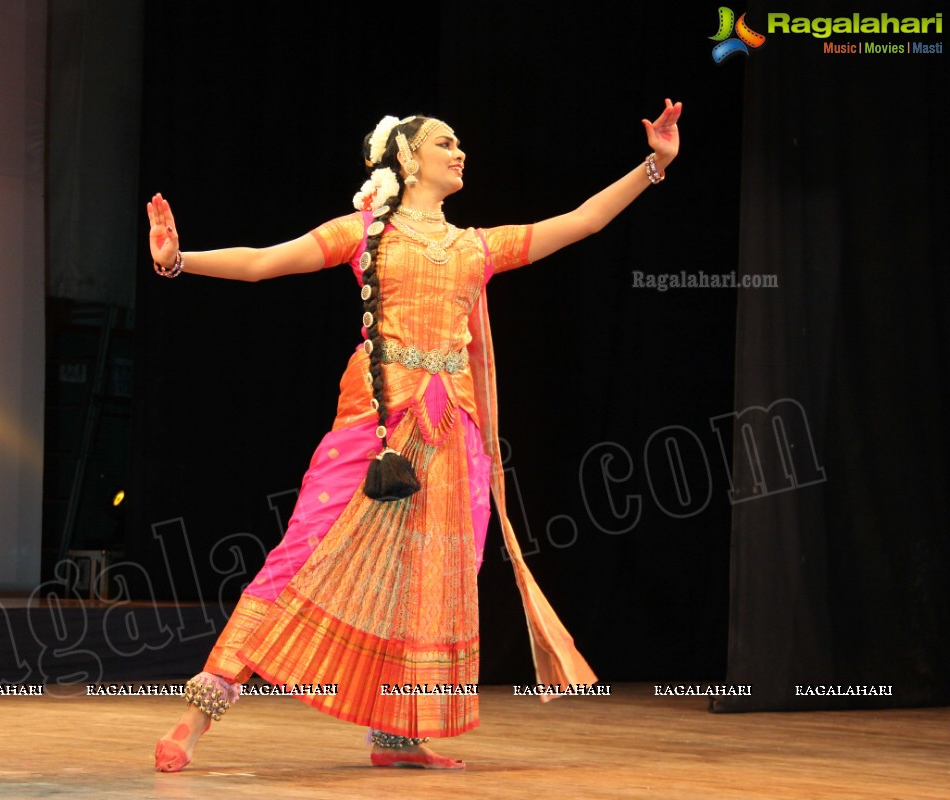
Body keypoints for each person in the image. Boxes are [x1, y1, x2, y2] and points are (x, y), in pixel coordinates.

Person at [145, 100, 682, 772]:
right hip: (374, 421)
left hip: (452, 431)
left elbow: (579, 223)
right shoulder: (365, 233)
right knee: (298, 558)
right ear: (407, 157)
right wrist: (177, 261)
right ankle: (195, 718)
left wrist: (652, 166)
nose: (460, 152)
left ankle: (396, 734)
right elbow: (262, 263)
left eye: (460, 144)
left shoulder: (474, 246)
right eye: (445, 143)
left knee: (429, 580)